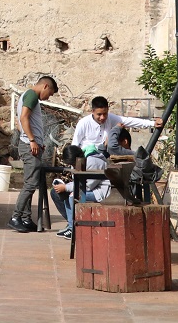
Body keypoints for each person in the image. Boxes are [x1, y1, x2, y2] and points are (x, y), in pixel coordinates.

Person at [8, 75, 59, 233]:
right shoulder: (31, 95)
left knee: (30, 182)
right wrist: (31, 140)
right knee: (30, 184)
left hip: (31, 145)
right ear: (45, 86)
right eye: (49, 93)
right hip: (29, 147)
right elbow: (23, 118)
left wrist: (35, 139)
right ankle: (16, 217)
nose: (48, 97)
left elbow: (20, 123)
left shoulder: (29, 96)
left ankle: (25, 218)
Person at [50, 144, 111, 239]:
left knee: (73, 196)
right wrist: (64, 187)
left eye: (73, 164)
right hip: (91, 189)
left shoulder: (93, 162)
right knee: (63, 193)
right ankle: (71, 224)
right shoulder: (80, 161)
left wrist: (65, 187)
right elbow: (78, 182)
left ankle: (73, 228)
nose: (73, 167)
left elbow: (87, 186)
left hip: (100, 192)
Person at [72, 96, 161, 155]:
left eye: (105, 114)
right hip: (87, 160)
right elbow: (74, 146)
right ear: (92, 111)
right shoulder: (83, 123)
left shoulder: (111, 118)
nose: (102, 117)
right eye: (99, 114)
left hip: (104, 159)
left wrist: (152, 123)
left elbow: (130, 121)